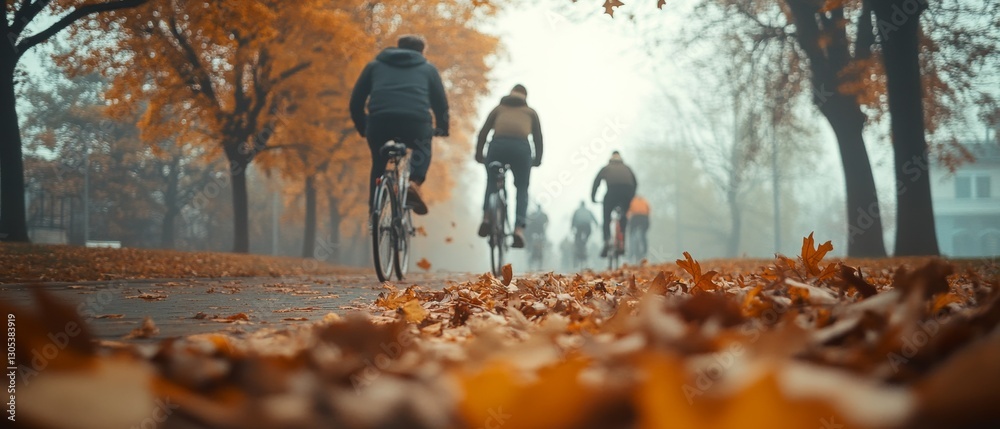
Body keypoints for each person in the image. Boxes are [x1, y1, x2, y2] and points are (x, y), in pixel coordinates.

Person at [350, 35, 449, 216]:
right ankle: (414, 183)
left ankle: (375, 213)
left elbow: (355, 102)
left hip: (379, 123)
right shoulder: (429, 70)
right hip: (415, 124)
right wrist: (442, 128)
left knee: (378, 163)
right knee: (423, 145)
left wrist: (363, 127)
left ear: (398, 46)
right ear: (422, 52)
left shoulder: (374, 66)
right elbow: (440, 104)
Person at [475, 84, 543, 248]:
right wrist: (537, 160)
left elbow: (483, 132)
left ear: (510, 94)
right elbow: (538, 139)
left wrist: (479, 155)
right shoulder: (531, 113)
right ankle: (518, 229)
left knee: (492, 181)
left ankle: (486, 218)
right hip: (521, 150)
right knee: (522, 188)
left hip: (498, 146)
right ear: (525, 97)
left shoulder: (498, 109)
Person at [591, 151, 637, 257]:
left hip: (612, 192)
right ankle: (622, 241)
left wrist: (593, 197)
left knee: (606, 217)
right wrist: (631, 197)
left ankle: (607, 240)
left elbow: (596, 182)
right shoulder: (627, 168)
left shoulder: (606, 168)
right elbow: (635, 183)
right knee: (624, 215)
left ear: (611, 159)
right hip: (627, 193)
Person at [628, 194, 651, 260]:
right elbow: (649, 211)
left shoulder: (632, 201)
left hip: (635, 218)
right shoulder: (645, 201)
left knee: (631, 234)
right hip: (644, 218)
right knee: (643, 234)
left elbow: (629, 212)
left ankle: (631, 254)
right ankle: (644, 252)